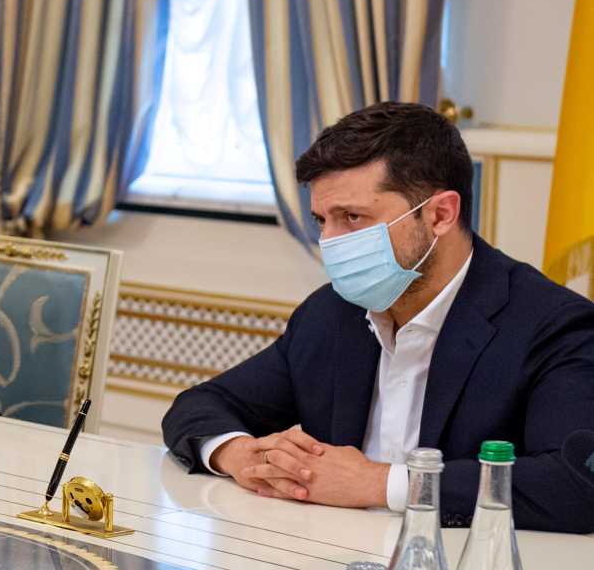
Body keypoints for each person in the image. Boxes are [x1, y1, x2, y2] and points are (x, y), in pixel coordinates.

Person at [161, 102, 594, 534]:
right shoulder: (330, 313)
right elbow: (199, 406)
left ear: (440, 214)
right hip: (330, 566)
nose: (329, 243)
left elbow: (575, 485)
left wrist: (379, 483)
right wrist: (241, 455)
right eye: (321, 220)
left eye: (352, 218)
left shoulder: (553, 325)